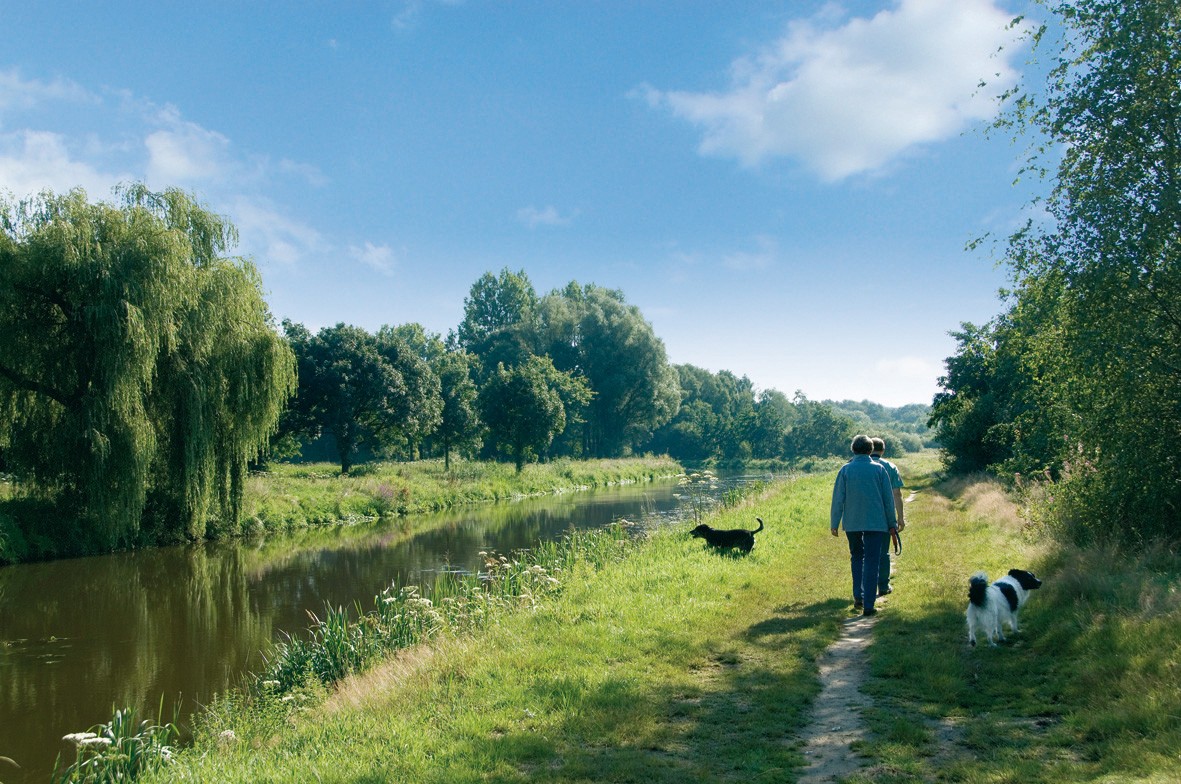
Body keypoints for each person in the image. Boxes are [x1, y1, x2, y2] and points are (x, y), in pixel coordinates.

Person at [831, 434, 897, 617]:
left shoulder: (845, 470)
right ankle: (869, 604)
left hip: (852, 522)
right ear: (870, 450)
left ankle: (858, 596)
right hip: (876, 523)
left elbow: (838, 499)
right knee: (872, 561)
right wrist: (892, 523)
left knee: (856, 557)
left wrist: (834, 523)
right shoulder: (879, 470)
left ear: (853, 449)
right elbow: (888, 500)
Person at [870, 436, 906, 597]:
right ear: (883, 450)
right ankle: (883, 585)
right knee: (883, 552)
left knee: (866, 552)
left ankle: (867, 586)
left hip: (864, 514)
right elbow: (897, 493)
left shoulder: (856, 465)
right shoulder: (890, 467)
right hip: (885, 515)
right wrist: (900, 517)